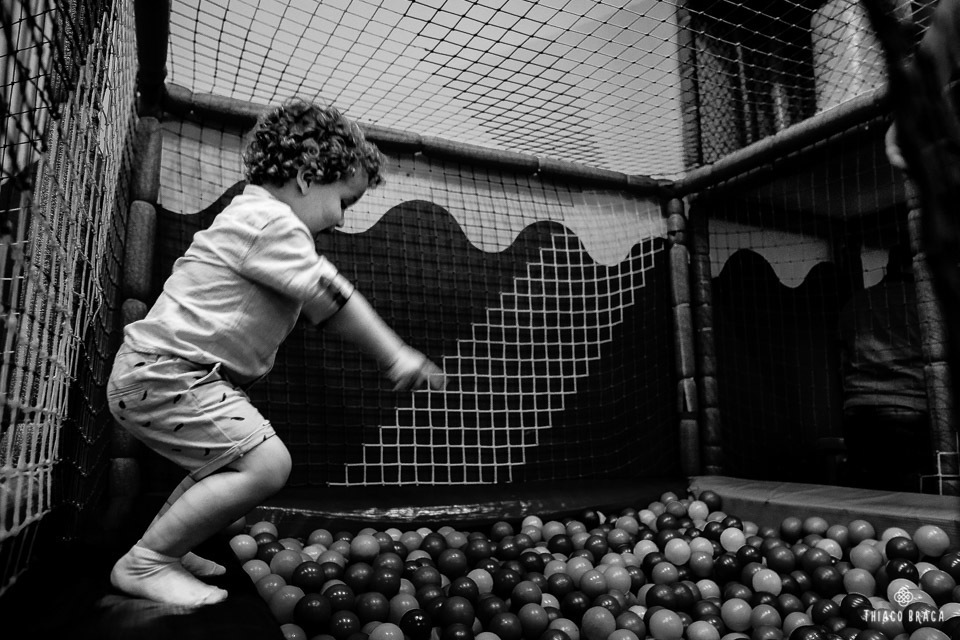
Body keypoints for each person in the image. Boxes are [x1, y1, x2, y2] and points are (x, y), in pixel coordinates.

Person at [107, 99, 445, 607]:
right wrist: (395, 355)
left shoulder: (255, 220)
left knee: (226, 465)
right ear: (308, 176)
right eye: (344, 202)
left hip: (166, 373)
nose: (341, 219)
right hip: (168, 373)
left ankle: (171, 547)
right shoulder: (271, 223)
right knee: (267, 465)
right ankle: (147, 561)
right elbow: (332, 298)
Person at [838, 243, 931, 491]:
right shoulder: (924, 303)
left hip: (858, 410)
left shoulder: (855, 303)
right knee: (910, 491)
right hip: (908, 408)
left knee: (868, 489)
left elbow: (843, 358)